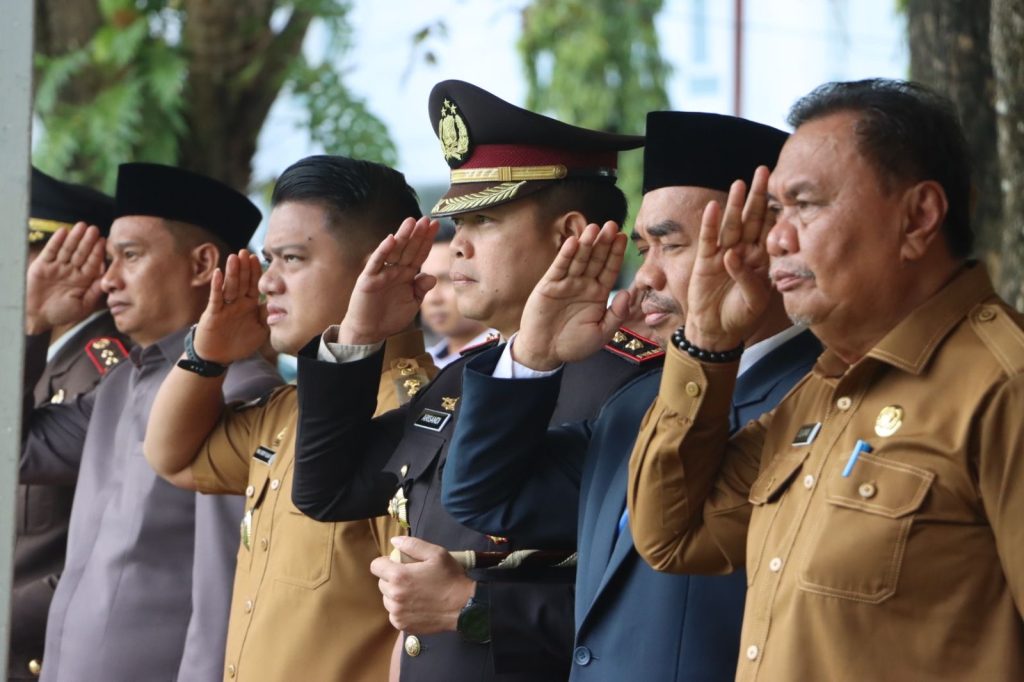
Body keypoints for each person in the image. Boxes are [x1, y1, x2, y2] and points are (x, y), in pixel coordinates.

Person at [628, 78, 1024, 680]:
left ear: (919, 216)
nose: (777, 239)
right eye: (776, 212)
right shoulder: (823, 390)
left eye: (805, 206)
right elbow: (671, 537)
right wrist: (706, 341)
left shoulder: (1004, 385)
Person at [290, 80, 652, 682]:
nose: (456, 247)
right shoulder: (469, 374)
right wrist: (358, 335)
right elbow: (329, 491)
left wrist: (475, 609)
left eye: (482, 220)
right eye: (457, 224)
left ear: (568, 236)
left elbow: (655, 609)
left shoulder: (632, 385)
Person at [442, 111, 821, 681]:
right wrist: (534, 356)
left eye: (670, 245)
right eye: (645, 250)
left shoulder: (818, 396)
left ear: (762, 245)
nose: (645, 279)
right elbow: (485, 498)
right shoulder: (637, 402)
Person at [143, 155, 436, 682]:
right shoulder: (288, 408)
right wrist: (207, 355)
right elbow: (171, 458)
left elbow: (419, 632)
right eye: (268, 259)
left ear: (383, 267)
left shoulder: (415, 416)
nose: (268, 283)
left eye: (293, 259)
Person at [21, 163, 281, 682]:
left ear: (202, 263)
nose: (108, 279)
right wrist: (30, 323)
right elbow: (17, 450)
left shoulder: (240, 392)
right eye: (109, 259)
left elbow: (225, 596)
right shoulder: (119, 386)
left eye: (131, 256)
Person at [10, 168, 131, 681]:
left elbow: (103, 551)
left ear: (84, 264)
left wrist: (30, 322)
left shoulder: (108, 368)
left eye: (26, 255)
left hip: (37, 649)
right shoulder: (38, 357)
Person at [421, 224, 493, 368]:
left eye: (449, 280)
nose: (434, 298)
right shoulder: (424, 363)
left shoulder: (507, 358)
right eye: (423, 282)